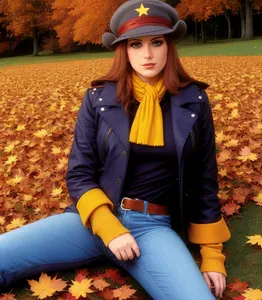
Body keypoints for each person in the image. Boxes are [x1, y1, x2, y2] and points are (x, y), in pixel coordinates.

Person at [0, 0, 231, 299]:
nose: (147, 54)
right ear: (124, 49)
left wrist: (212, 254)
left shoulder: (194, 101)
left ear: (169, 45)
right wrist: (108, 226)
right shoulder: (98, 98)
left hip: (153, 229)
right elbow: (79, 173)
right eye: (136, 44)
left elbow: (204, 181)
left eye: (156, 42)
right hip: (92, 220)